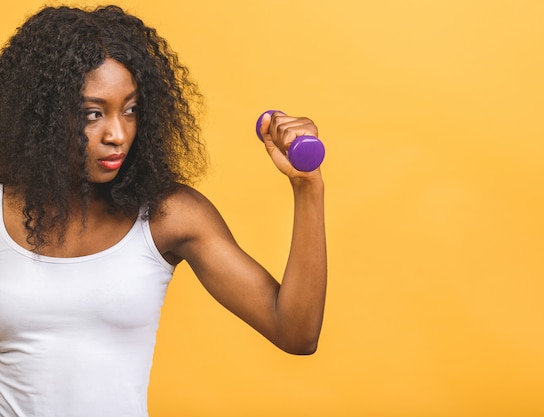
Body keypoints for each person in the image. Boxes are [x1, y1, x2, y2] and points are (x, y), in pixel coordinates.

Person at [0, 4, 326, 417]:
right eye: (92, 114)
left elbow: (295, 332)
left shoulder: (168, 216)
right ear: (41, 118)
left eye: (131, 109)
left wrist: (307, 186)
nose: (117, 134)